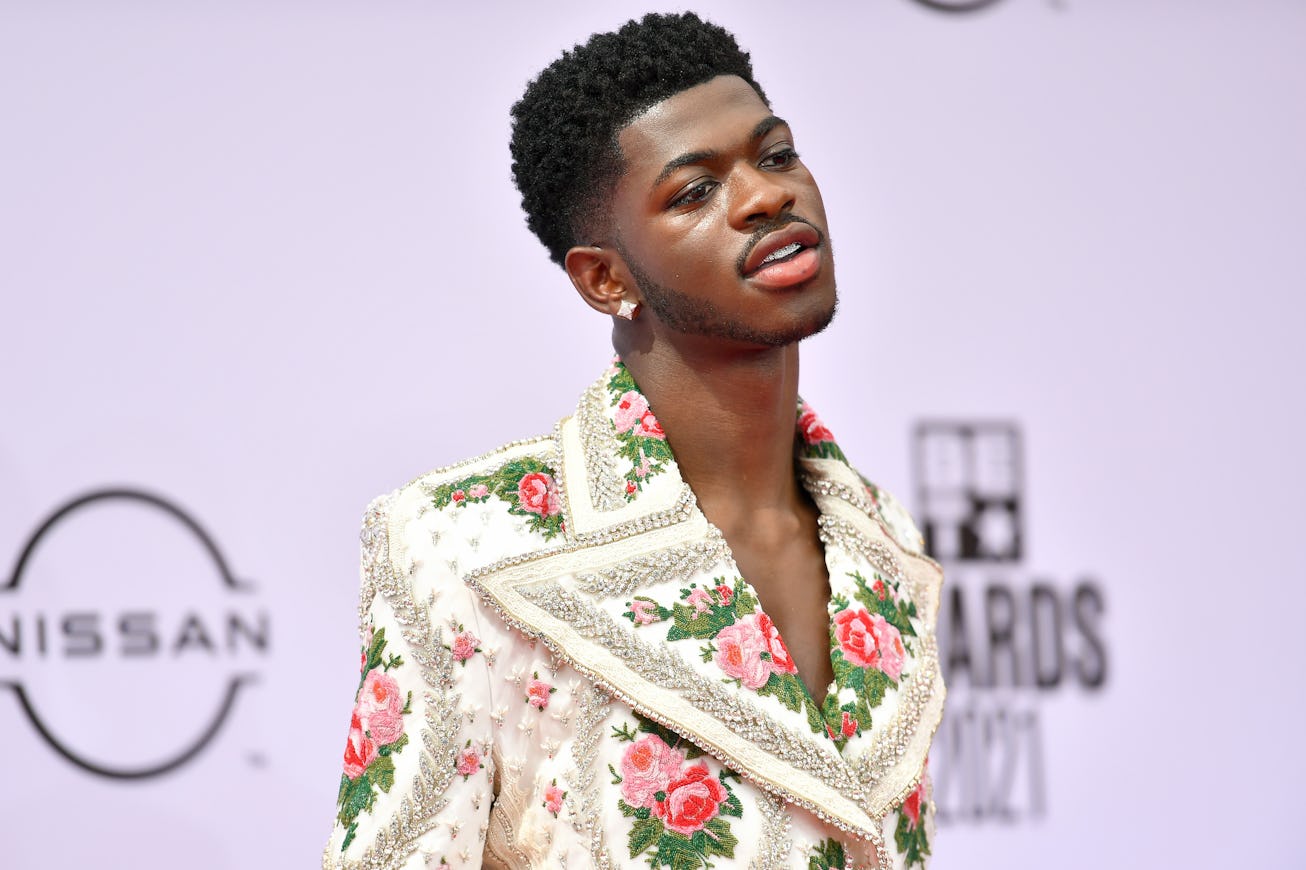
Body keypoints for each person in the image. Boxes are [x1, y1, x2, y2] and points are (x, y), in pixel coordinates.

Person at [324, 12, 944, 869]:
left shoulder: (885, 539)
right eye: (694, 191)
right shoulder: (466, 543)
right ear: (605, 277)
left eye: (775, 155)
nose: (767, 196)